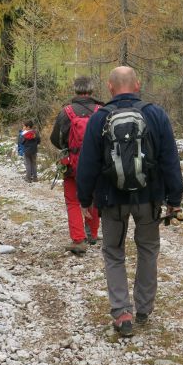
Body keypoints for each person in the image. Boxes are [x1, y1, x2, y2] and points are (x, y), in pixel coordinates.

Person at [76, 66, 183, 337]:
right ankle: (144, 308)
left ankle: (122, 312)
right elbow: (170, 159)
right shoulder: (156, 114)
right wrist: (174, 199)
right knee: (148, 249)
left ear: (110, 87)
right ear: (137, 84)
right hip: (149, 199)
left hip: (111, 199)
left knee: (114, 252)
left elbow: (87, 164)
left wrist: (85, 199)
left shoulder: (99, 118)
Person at [49, 76, 103, 254]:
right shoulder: (101, 110)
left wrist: (69, 148)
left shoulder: (67, 112)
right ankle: (93, 234)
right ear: (92, 90)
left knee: (72, 201)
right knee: (94, 198)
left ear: (75, 90)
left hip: (72, 164)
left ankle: (78, 240)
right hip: (96, 164)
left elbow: (55, 139)